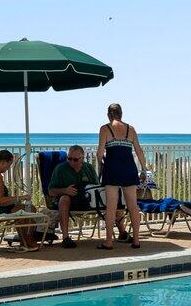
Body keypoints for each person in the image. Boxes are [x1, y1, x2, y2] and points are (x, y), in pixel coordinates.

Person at [97, 103, 148, 250]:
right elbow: (139, 150)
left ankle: (108, 242)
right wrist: (144, 170)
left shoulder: (105, 129)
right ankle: (136, 240)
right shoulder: (130, 129)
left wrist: (100, 165)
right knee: (133, 205)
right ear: (121, 114)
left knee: (111, 206)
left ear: (109, 114)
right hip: (128, 169)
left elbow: (100, 153)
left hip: (112, 169)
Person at [0, 150, 43, 250]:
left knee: (21, 211)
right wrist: (20, 198)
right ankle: (28, 241)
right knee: (29, 209)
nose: (8, 168)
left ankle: (25, 242)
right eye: (8, 165)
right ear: (4, 162)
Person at [46, 145, 99, 248]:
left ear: (82, 158)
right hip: (68, 201)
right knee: (64, 199)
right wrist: (65, 190)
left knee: (111, 196)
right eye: (69, 159)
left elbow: (96, 187)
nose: (71, 162)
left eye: (75, 159)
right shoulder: (60, 169)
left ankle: (122, 232)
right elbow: (51, 191)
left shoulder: (88, 168)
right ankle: (65, 237)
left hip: (87, 201)